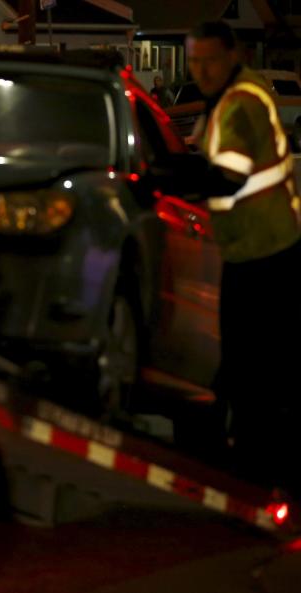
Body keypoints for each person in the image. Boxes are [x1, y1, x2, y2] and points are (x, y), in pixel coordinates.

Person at [183, 21, 301, 497]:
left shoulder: (240, 103)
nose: (201, 71)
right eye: (194, 61)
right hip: (263, 249)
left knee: (252, 363)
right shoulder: (234, 97)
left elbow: (226, 177)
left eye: (209, 60)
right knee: (258, 363)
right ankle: (261, 463)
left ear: (233, 55)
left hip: (262, 254)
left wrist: (164, 183)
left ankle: (260, 469)